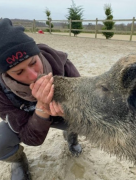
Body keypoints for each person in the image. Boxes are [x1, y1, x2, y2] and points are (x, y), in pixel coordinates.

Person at [0, 18, 82, 180]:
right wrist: (42, 107)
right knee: (1, 142)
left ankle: (71, 138)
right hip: (27, 124)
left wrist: (68, 109)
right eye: (18, 72)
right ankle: (18, 161)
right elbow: (32, 139)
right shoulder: (2, 91)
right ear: (6, 74)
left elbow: (84, 104)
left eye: (33, 63)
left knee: (81, 120)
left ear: (37, 53)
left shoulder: (62, 64)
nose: (32, 75)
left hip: (61, 116)